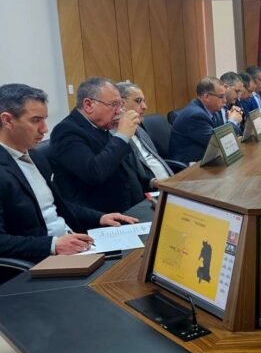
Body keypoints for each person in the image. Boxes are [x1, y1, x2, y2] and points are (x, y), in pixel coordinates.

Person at [0, 83, 136, 263]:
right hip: (39, 261)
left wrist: (100, 217)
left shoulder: (35, 156)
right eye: (35, 120)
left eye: (44, 119)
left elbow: (58, 205)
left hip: (72, 243)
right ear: (7, 120)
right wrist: (52, 245)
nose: (44, 129)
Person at [50, 77, 150, 213]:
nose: (119, 111)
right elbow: (94, 173)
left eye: (120, 105)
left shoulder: (101, 126)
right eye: (114, 105)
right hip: (102, 215)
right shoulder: (66, 131)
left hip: (132, 205)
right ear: (88, 105)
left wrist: (151, 182)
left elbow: (124, 170)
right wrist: (122, 136)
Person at [169, 77, 238, 164]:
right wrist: (233, 121)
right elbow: (220, 143)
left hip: (207, 159)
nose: (225, 101)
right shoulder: (195, 115)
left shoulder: (213, 111)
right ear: (207, 97)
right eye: (221, 97)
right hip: (189, 166)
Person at [117, 81, 174, 185]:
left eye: (144, 101)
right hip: (151, 188)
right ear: (121, 103)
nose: (144, 106)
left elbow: (155, 159)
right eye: (138, 101)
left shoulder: (139, 128)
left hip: (168, 183)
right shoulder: (116, 138)